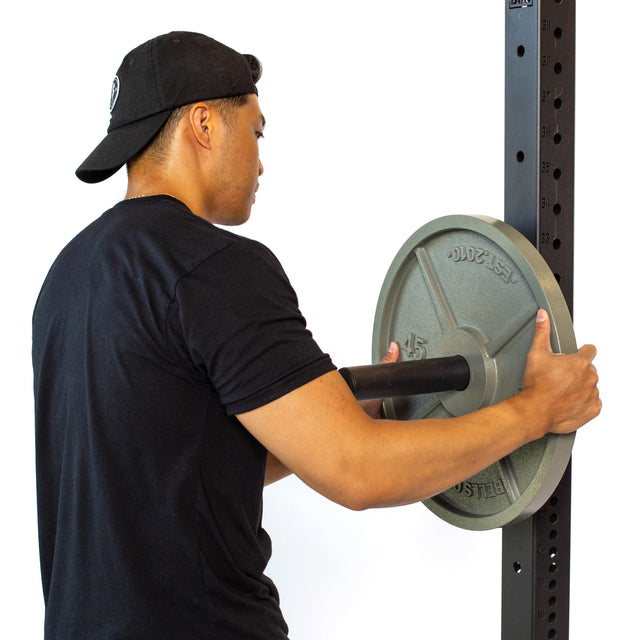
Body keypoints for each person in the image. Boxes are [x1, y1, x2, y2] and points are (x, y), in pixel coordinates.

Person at [32, 31, 600, 640]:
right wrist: (536, 410)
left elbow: (173, 464)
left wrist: (329, 423)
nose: (261, 159)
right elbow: (359, 473)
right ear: (203, 124)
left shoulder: (65, 279)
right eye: (256, 131)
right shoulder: (212, 266)